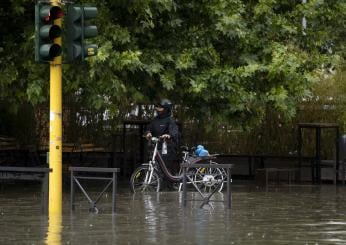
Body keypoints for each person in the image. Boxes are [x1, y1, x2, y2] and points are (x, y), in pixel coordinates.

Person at [145, 99, 179, 176]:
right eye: (157, 107)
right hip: (155, 147)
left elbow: (174, 132)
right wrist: (148, 133)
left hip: (167, 148)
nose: (157, 109)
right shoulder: (155, 120)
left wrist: (168, 135)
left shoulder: (170, 120)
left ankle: (170, 184)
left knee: (166, 167)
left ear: (166, 109)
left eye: (160, 107)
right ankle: (155, 182)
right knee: (153, 164)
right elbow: (149, 129)